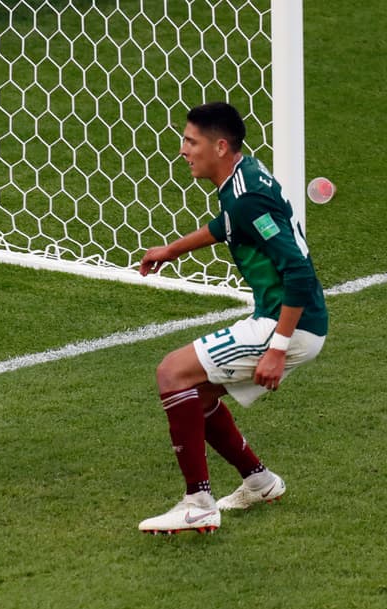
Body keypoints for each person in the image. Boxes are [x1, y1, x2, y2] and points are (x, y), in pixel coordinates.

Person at [137, 101, 328, 534]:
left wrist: (277, 349)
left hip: (287, 323)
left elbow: (298, 270)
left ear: (220, 146)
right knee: (197, 397)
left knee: (171, 373)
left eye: (191, 142)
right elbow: (227, 224)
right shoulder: (243, 176)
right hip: (292, 320)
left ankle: (198, 502)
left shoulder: (248, 198)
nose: (183, 151)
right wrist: (171, 250)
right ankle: (260, 482)